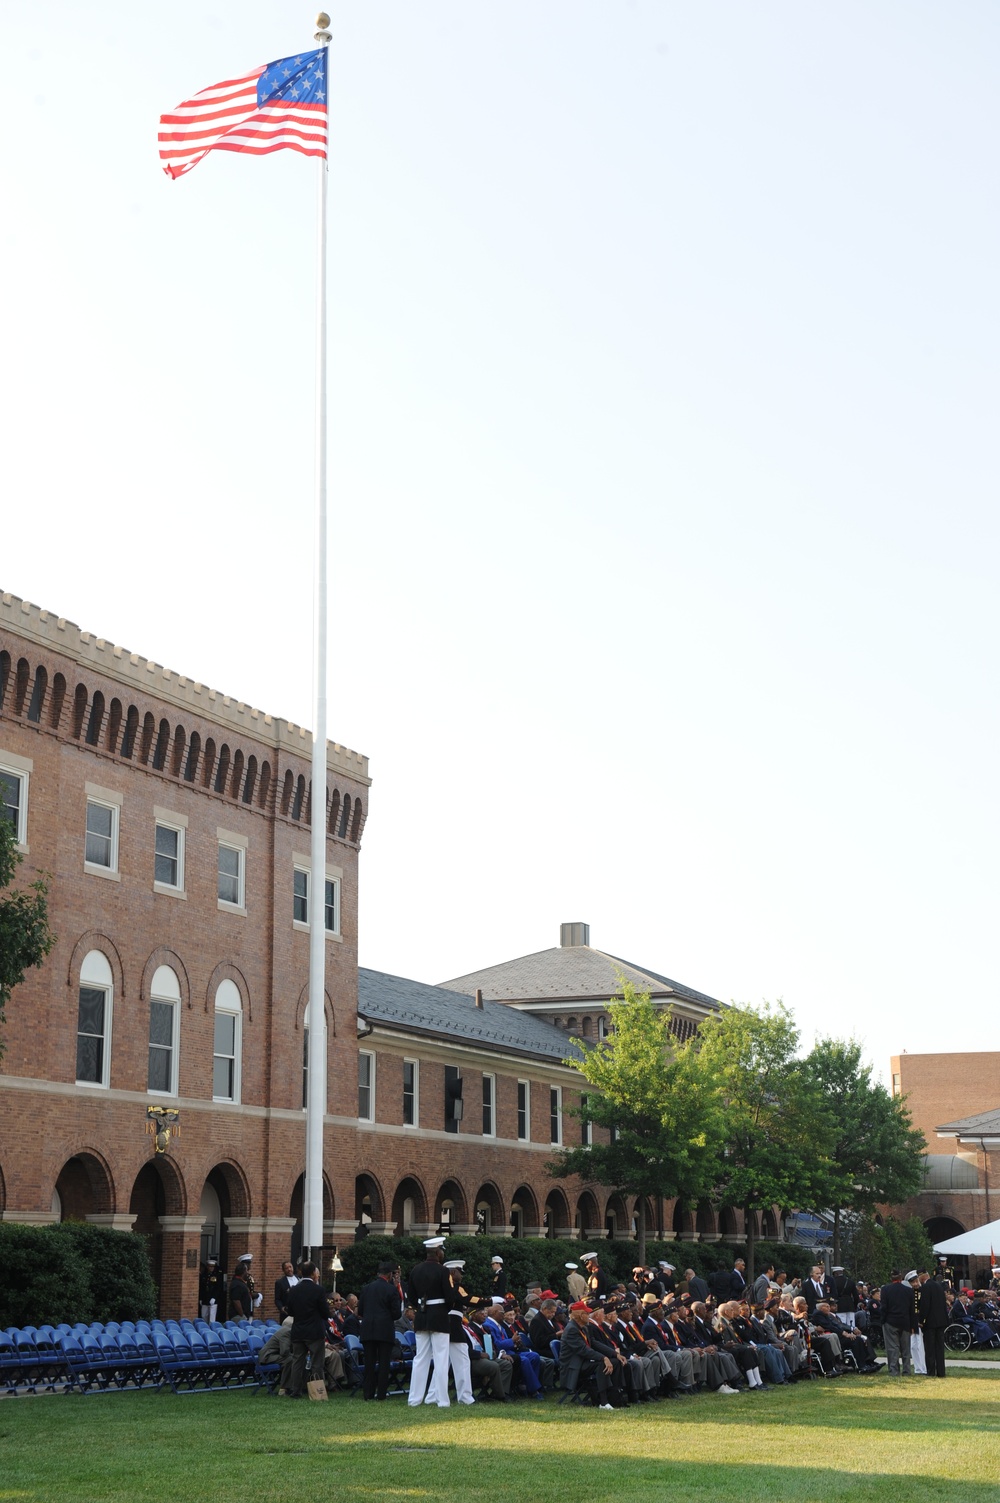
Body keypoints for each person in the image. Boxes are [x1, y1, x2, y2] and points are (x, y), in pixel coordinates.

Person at [406, 1236, 452, 1409]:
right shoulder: (443, 1271)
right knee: (441, 1358)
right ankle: (442, 1400)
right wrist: (443, 1309)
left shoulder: (415, 1270)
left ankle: (414, 1399)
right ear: (438, 1252)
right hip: (438, 1315)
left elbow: (410, 1295)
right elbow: (449, 1296)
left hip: (421, 1316)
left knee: (420, 1358)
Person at [285, 1261, 331, 1398]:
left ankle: (296, 1390)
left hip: (298, 1330)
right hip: (314, 1331)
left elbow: (290, 1311)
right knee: (317, 1363)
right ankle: (317, 1392)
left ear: (300, 1273)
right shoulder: (319, 1290)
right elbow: (325, 1312)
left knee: (297, 1361)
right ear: (313, 1273)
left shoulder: (294, 1290)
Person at [358, 1258, 403, 1401]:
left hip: (368, 1329)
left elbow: (361, 1310)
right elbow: (396, 1314)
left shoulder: (366, 1288)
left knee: (369, 1363)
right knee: (384, 1364)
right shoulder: (391, 1289)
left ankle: (368, 1394)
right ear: (389, 1275)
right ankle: (381, 1394)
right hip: (384, 1330)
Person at [879, 1271, 915, 1377]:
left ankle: (894, 1371)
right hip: (905, 1322)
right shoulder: (909, 1290)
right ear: (901, 1278)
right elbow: (912, 1310)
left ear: (891, 1279)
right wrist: (912, 1325)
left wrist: (883, 1320)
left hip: (890, 1321)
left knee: (892, 1348)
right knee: (905, 1349)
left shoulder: (886, 1289)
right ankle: (907, 1371)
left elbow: (884, 1307)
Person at [919, 1271, 948, 1379]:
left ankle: (931, 1371)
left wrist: (921, 1321)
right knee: (939, 1348)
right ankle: (941, 1371)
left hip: (930, 1323)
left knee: (930, 1348)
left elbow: (925, 1305)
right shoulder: (938, 1286)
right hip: (941, 1321)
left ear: (922, 1276)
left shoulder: (926, 1287)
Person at [199, 1257, 225, 1323]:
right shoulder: (204, 1275)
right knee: (204, 1316)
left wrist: (214, 1297)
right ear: (207, 1266)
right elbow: (202, 1287)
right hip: (205, 1298)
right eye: (210, 1266)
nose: (211, 1268)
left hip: (213, 1299)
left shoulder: (216, 1275)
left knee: (212, 1318)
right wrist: (201, 1298)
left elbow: (218, 1287)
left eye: (212, 1267)